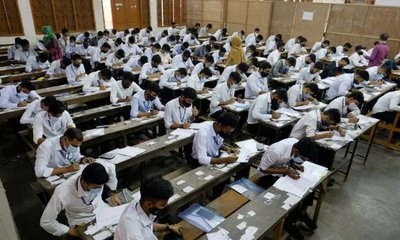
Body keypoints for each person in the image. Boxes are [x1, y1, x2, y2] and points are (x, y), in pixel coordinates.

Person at [257, 137, 319, 240]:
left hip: (280, 170)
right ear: (297, 150)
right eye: (303, 158)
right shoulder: (277, 150)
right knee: (292, 194)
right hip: (266, 176)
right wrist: (286, 171)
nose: (303, 160)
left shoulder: (295, 143)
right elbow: (263, 169)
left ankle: (299, 214)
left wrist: (295, 166)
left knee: (308, 189)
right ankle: (289, 223)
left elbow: (286, 161)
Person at [40, 162, 119, 237]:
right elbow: (46, 221)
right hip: (81, 219)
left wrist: (113, 193)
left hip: (102, 209)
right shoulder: (63, 192)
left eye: (101, 186)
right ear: (84, 183)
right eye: (95, 188)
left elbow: (111, 167)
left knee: (120, 228)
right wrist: (71, 231)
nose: (99, 189)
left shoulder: (101, 170)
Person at [114, 178, 182, 240]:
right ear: (149, 204)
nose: (165, 206)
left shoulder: (139, 203)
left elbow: (148, 225)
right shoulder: (134, 234)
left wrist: (168, 227)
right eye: (162, 205)